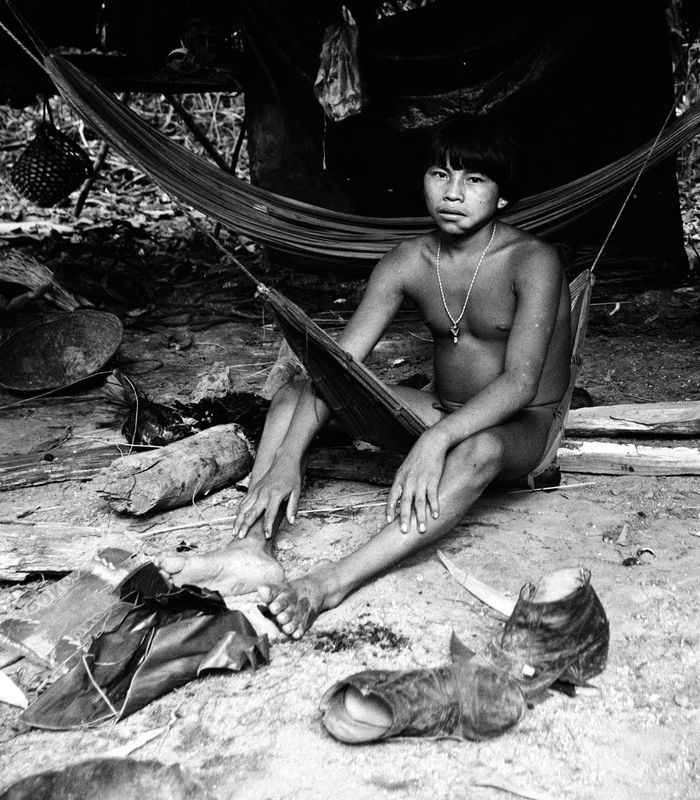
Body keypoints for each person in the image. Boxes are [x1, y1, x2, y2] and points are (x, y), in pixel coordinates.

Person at [161, 115, 572, 639]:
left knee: (480, 450)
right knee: (294, 393)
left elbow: (520, 384)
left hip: (520, 429)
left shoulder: (533, 261)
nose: (453, 193)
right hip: (439, 412)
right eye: (439, 174)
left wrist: (437, 442)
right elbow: (338, 368)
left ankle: (329, 583)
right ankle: (252, 551)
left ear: (503, 196)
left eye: (474, 180)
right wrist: (287, 460)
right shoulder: (408, 260)